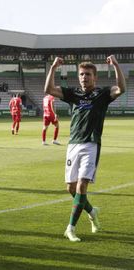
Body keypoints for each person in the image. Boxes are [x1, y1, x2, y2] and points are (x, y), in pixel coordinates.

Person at [44, 55, 125, 242]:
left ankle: (70, 228)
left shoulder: (103, 94)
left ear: (95, 77)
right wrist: (53, 67)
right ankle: (91, 210)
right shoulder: (73, 94)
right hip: (73, 144)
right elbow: (48, 89)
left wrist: (116, 65)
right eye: (81, 74)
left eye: (88, 74)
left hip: (91, 144)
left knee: (82, 185)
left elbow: (121, 88)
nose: (84, 77)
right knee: (71, 188)